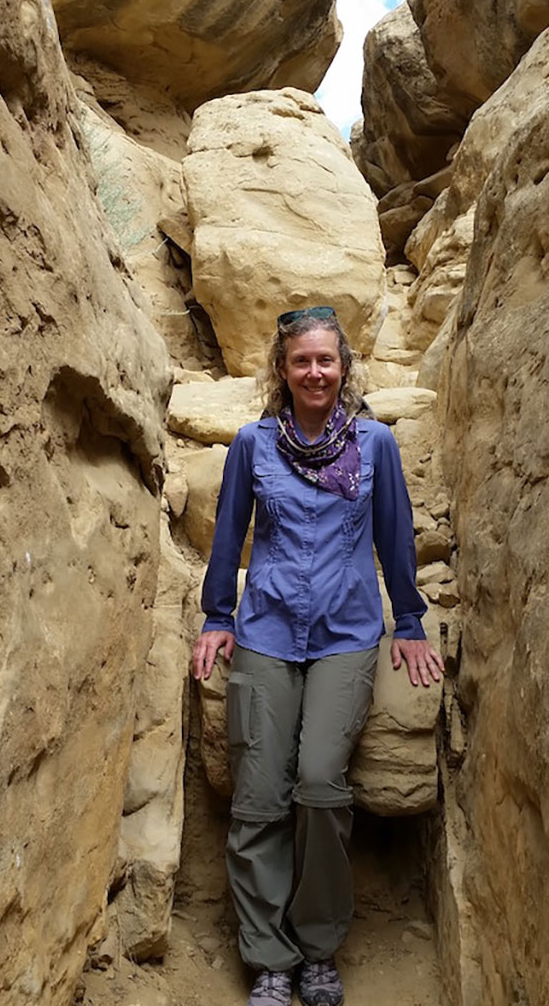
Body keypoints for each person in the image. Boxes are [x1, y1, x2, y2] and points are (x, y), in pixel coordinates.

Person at [192, 305, 444, 1006]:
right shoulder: (252, 444)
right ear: (282, 368)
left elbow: (396, 536)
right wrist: (218, 615)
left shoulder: (376, 445)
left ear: (344, 367)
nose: (314, 371)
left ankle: (319, 947)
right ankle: (270, 958)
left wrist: (413, 622)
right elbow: (228, 532)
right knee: (259, 796)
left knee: (320, 783)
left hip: (347, 630)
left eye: (325, 360)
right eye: (300, 360)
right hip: (268, 627)